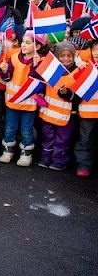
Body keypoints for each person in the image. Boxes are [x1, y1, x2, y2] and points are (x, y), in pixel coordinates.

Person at [0, 32, 49, 166]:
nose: (23, 45)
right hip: (13, 101)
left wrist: (35, 65)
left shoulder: (42, 61)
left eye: (28, 42)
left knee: (27, 129)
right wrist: (4, 71)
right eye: (23, 42)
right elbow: (7, 78)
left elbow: (39, 81)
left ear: (37, 46)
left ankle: (26, 153)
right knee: (10, 127)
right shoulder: (14, 57)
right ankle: (8, 151)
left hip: (29, 103)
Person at [37, 41, 79, 171]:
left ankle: (59, 160)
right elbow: (44, 85)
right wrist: (41, 94)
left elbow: (78, 96)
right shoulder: (51, 70)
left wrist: (67, 94)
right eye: (62, 56)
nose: (66, 59)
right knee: (47, 136)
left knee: (62, 139)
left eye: (69, 56)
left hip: (65, 116)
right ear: (56, 57)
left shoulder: (76, 73)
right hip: (48, 112)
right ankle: (45, 157)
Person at [75, 39, 98, 177]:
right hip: (88, 112)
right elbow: (75, 86)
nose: (96, 53)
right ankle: (84, 165)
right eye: (94, 50)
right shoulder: (86, 67)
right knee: (85, 140)